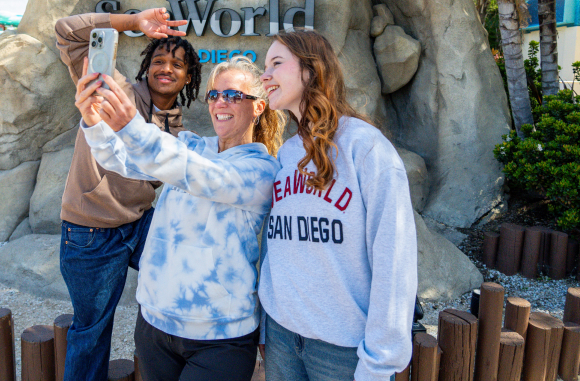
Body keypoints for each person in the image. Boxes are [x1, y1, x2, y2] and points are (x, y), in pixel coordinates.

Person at [77, 55, 284, 381]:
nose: (220, 103)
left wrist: (130, 125)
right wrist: (94, 122)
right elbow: (123, 161)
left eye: (232, 95)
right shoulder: (190, 146)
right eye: (214, 94)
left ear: (258, 107)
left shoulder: (263, 170)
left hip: (219, 338)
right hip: (155, 325)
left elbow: (203, 176)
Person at [258, 29, 418, 381]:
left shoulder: (365, 149)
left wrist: (380, 361)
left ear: (311, 70)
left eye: (277, 63)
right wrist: (268, 322)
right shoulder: (287, 153)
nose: (264, 74)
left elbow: (395, 258)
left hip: (342, 349)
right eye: (265, 65)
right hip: (283, 336)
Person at [54, 8, 202, 381]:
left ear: (188, 76)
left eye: (178, 64)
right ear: (145, 67)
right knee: (92, 330)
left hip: (138, 226)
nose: (167, 67)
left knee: (188, 270)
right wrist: (133, 22)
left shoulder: (176, 126)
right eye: (159, 60)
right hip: (91, 232)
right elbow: (67, 31)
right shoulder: (114, 91)